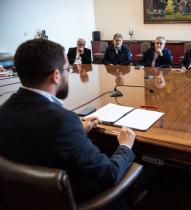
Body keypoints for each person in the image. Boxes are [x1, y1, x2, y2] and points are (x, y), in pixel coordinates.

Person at [0, 39, 136, 204]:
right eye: (67, 69)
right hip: (79, 199)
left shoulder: (4, 111)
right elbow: (110, 174)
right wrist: (125, 146)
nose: (69, 73)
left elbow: (39, 141)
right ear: (56, 76)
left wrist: (77, 132)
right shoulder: (63, 122)